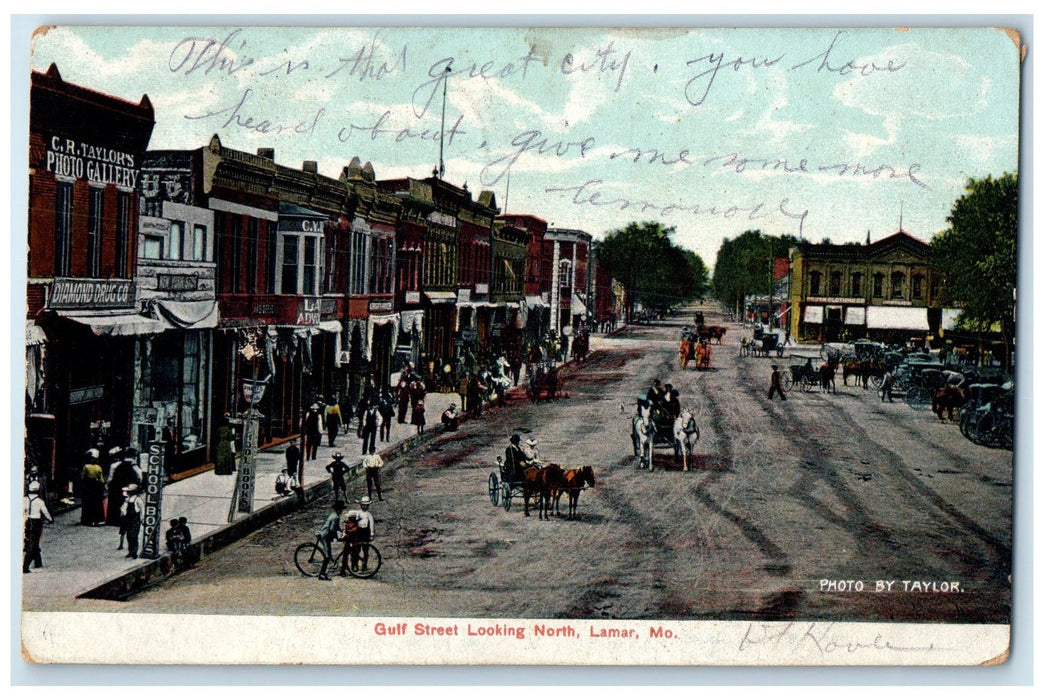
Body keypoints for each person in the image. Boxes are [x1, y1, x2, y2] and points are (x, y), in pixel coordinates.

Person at [22, 480, 53, 573]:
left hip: (27, 522)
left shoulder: (24, 499)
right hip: (36, 522)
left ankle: (38, 562)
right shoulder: (39, 501)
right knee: (34, 542)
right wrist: (50, 519)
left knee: (31, 540)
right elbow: (45, 512)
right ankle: (25, 566)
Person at [316, 500, 346, 581]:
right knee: (327, 556)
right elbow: (332, 529)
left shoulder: (335, 515)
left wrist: (341, 530)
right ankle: (322, 574)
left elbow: (336, 527)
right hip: (325, 536)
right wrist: (338, 537)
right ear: (338, 509)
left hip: (327, 535)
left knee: (328, 554)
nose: (341, 511)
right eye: (341, 509)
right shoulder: (335, 517)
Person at [344, 496, 375, 572]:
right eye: (363, 505)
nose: (365, 506)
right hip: (358, 532)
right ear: (360, 505)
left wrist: (371, 533)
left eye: (366, 505)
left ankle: (364, 565)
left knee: (365, 550)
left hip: (366, 533)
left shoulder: (369, 515)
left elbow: (371, 524)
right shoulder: (358, 513)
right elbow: (351, 518)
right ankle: (355, 565)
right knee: (356, 550)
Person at [80, 448, 106, 526]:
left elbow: (82, 476)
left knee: (87, 502)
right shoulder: (99, 467)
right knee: (96, 503)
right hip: (96, 486)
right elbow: (101, 479)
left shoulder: (86, 467)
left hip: (88, 485)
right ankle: (97, 519)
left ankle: (87, 519)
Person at [121, 483, 144, 559]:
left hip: (135, 519)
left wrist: (142, 519)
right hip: (128, 519)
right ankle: (130, 551)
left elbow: (142, 510)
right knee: (129, 536)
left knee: (134, 536)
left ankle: (134, 552)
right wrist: (123, 512)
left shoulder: (138, 499)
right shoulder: (127, 499)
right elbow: (124, 508)